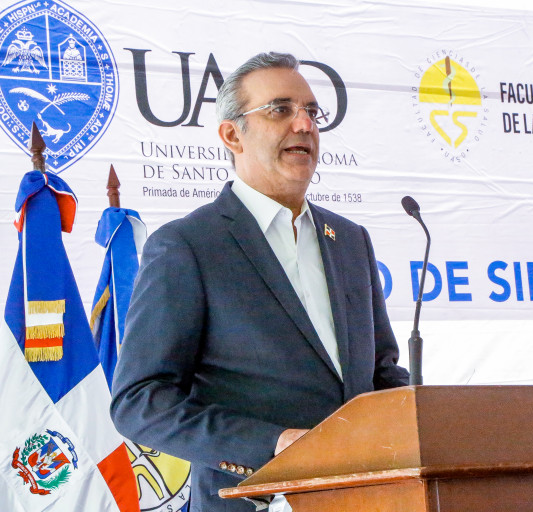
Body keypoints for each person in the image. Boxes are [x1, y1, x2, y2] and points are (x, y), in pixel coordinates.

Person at [110, 52, 409, 512]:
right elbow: (139, 401)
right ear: (233, 135)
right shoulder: (188, 245)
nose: (304, 125)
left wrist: (422, 422)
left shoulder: (350, 240)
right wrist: (273, 443)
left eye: (312, 112)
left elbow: (381, 374)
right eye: (280, 109)